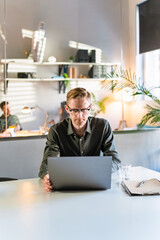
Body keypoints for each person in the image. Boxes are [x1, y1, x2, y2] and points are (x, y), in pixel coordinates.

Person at [39, 87, 121, 192]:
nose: (79, 116)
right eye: (74, 110)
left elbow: (115, 160)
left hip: (96, 186)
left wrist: (101, 172)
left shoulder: (102, 126)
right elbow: (46, 164)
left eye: (83, 110)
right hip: (68, 187)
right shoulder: (56, 130)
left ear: (90, 107)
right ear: (67, 109)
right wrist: (46, 176)